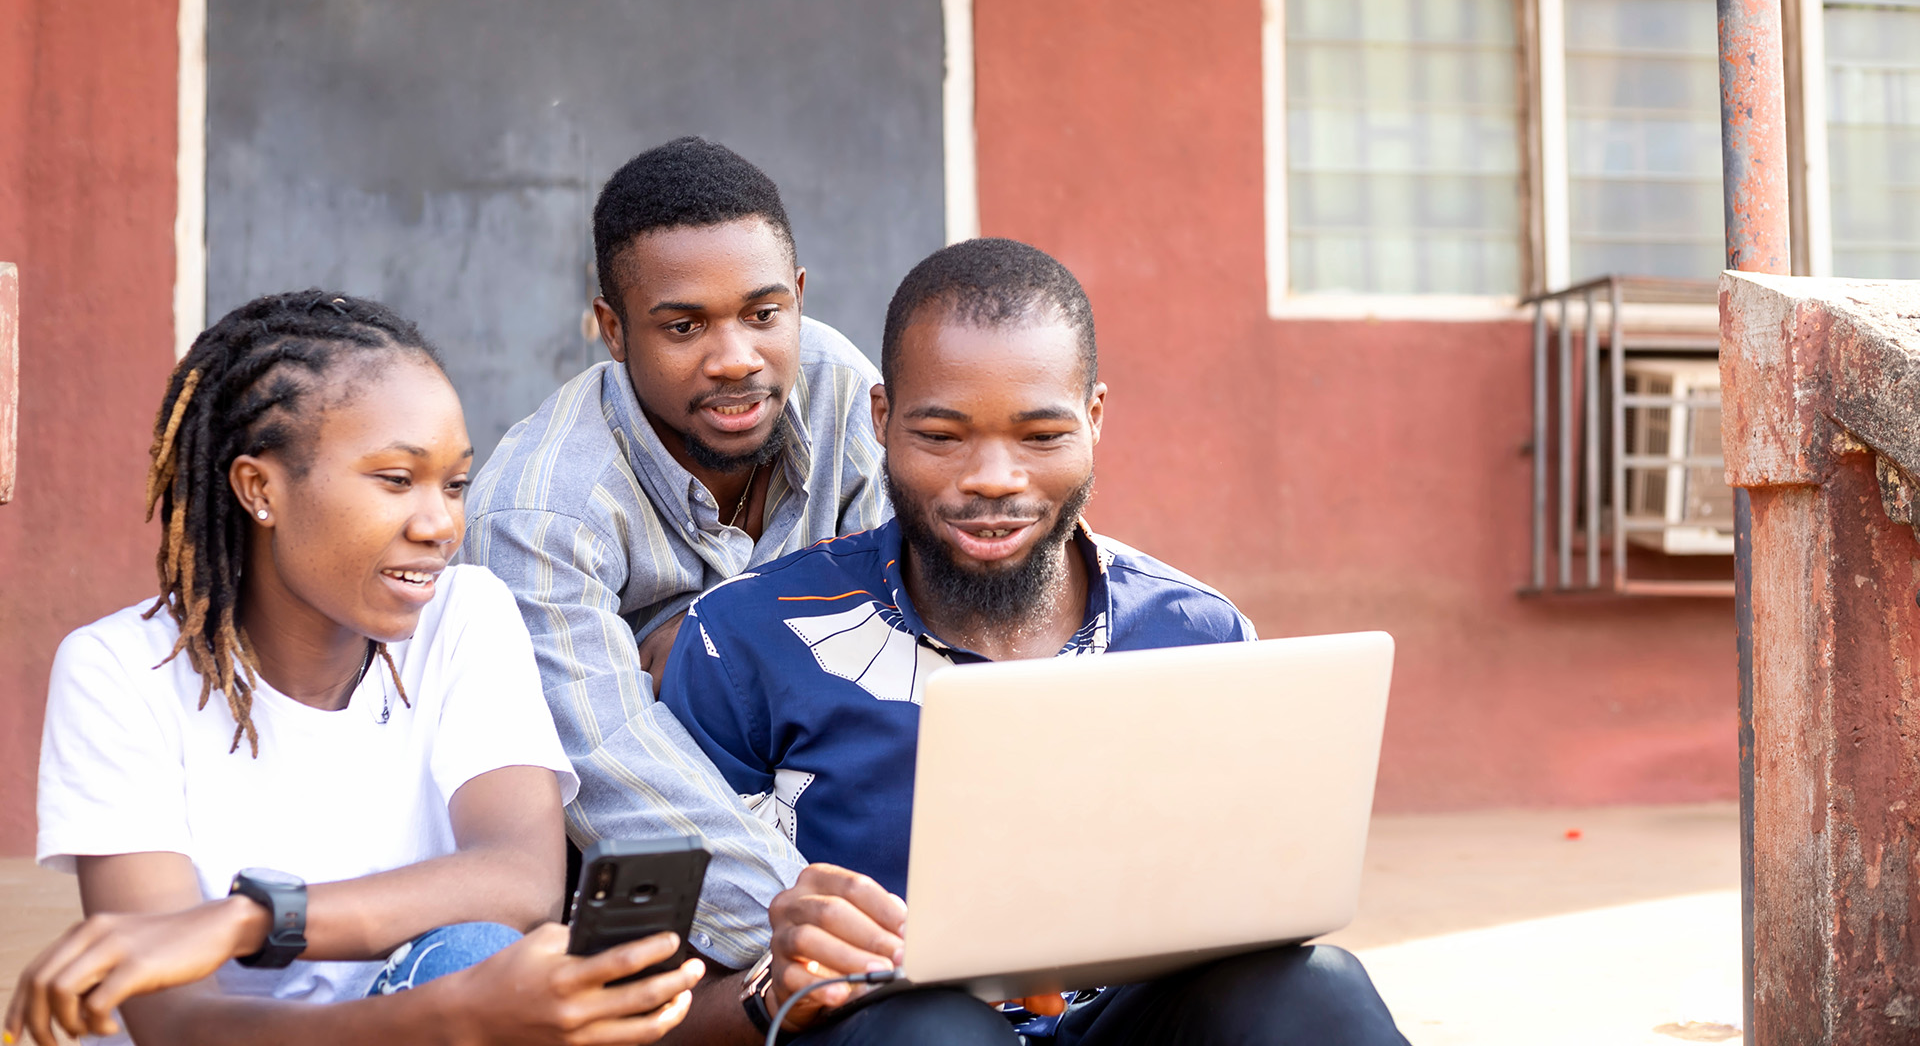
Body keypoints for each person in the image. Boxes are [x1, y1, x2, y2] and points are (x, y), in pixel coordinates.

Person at [657, 239, 1411, 1044]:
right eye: (942, 436)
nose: (994, 477)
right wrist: (775, 986)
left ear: (1093, 419)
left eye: (1041, 436)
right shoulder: (744, 642)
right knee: (936, 1033)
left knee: (1317, 989)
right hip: (891, 1031)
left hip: (1129, 1023)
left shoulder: (1199, 635)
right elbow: (641, 1008)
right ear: (881, 420)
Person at [7, 293, 703, 1046]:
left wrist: (250, 918)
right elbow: (172, 1022)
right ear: (259, 488)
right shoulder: (120, 669)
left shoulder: (465, 617)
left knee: (479, 953)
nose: (438, 524)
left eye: (454, 484)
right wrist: (447, 1018)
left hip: (430, 1014)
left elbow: (519, 879)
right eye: (397, 480)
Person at [458, 138, 888, 979]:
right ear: (613, 331)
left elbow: (915, 625)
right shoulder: (538, 510)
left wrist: (728, 635)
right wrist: (841, 942)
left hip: (849, 824)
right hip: (658, 903)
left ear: (797, 299)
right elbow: (615, 776)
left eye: (764, 315)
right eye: (684, 326)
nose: (735, 358)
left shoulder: (839, 386)